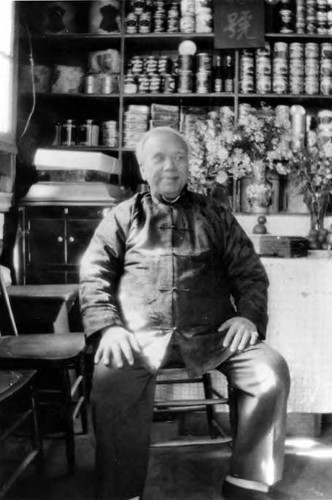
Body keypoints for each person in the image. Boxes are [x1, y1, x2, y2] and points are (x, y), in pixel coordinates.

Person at [79, 126, 290, 500]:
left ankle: (248, 479)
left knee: (269, 371)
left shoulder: (216, 214)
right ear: (143, 169)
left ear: (189, 164)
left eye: (179, 157)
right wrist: (108, 328)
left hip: (214, 335)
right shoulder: (122, 217)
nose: (170, 167)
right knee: (110, 376)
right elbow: (94, 277)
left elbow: (250, 274)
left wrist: (248, 317)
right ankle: (121, 489)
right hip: (139, 337)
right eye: (159, 158)